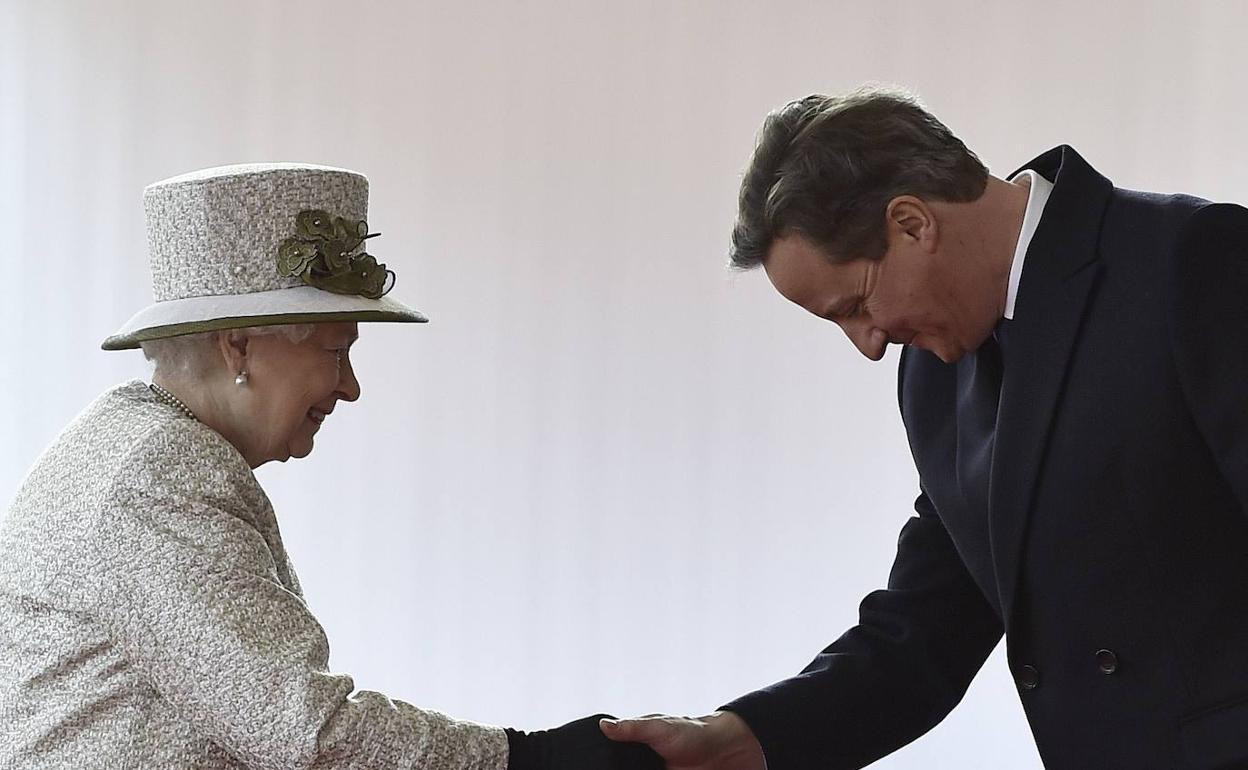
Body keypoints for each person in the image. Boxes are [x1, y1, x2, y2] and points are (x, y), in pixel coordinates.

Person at [601, 87, 1248, 769]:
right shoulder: (935, 375)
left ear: (912, 223)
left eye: (855, 305)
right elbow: (924, 632)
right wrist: (742, 737)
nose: (869, 345)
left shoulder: (1193, 259)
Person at [0, 163, 662, 770]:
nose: (350, 387)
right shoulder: (160, 476)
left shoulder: (133, 446)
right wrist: (529, 758)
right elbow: (303, 732)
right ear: (239, 346)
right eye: (334, 350)